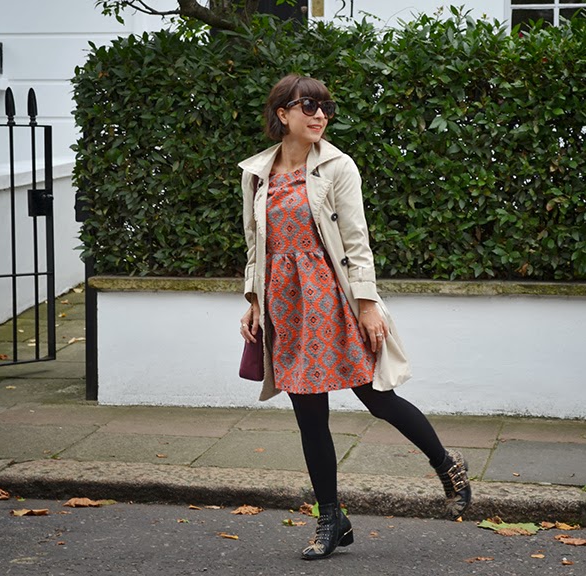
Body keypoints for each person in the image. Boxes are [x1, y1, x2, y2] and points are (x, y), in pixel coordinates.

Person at [238, 74, 471, 561]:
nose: (319, 115)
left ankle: (447, 464)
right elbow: (255, 245)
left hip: (332, 298)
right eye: (308, 106)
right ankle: (331, 518)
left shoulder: (338, 167)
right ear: (283, 114)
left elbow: (357, 241)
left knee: (377, 396)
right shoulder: (256, 173)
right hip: (285, 302)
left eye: (324, 107)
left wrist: (367, 304)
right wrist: (254, 301)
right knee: (309, 414)